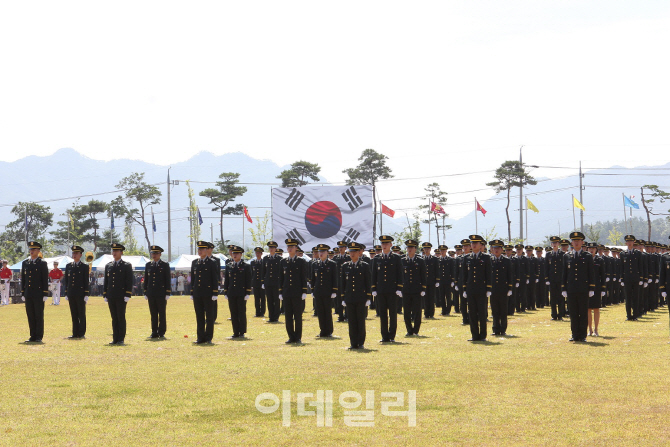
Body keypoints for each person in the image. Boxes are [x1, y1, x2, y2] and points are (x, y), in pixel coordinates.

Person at [562, 232, 595, 342]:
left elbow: (591, 273)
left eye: (578, 241)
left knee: (583, 312)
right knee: (573, 312)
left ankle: (583, 335)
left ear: (582, 242)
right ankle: (575, 334)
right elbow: (564, 274)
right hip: (571, 289)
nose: (576, 243)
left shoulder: (587, 256)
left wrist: (591, 288)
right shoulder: (567, 256)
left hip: (583, 288)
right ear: (571, 242)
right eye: (574, 241)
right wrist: (563, 288)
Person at [371, 235, 403, 343]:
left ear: (391, 245)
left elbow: (400, 274)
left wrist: (399, 288)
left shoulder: (396, 258)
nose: (384, 246)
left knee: (393, 314)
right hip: (381, 290)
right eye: (382, 244)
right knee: (383, 314)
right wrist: (374, 288)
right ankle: (384, 336)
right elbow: (374, 275)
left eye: (386, 243)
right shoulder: (377, 258)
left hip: (393, 290)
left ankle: (392, 336)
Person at [341, 242, 371, 349]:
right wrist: (343, 297)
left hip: (361, 297)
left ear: (359, 252)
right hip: (349, 298)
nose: (352, 254)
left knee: (360, 321)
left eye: (354, 252)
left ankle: (361, 342)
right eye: (350, 252)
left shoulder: (364, 266)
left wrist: (368, 297)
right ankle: (353, 343)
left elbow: (368, 282)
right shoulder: (345, 266)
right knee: (351, 321)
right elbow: (343, 283)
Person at [462, 235, 492, 341]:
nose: (474, 245)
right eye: (472, 243)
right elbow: (464, 275)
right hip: (470, 289)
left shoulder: (486, 257)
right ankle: (474, 335)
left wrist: (488, 289)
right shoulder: (466, 258)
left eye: (476, 243)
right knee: (472, 313)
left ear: (480, 245)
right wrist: (464, 289)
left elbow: (488, 274)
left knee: (482, 313)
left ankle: (483, 335)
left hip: (481, 290)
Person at [103, 243, 134, 345]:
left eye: (116, 251)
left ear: (121, 252)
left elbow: (129, 280)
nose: (114, 253)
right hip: (111, 295)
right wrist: (105, 294)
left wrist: (128, 294)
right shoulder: (109, 265)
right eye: (113, 251)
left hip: (121, 295)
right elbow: (106, 281)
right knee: (114, 318)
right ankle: (115, 338)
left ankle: (121, 338)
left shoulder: (126, 265)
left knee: (121, 317)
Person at [280, 238, 309, 344]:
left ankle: (298, 337)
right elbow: (281, 278)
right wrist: (280, 292)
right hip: (287, 292)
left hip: (297, 293)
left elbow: (303, 277)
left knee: (297, 316)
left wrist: (304, 291)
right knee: (288, 316)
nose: (290, 249)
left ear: (296, 248)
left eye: (292, 247)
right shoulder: (283, 262)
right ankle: (291, 337)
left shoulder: (301, 262)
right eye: (288, 247)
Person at [190, 241, 219, 344]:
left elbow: (215, 278)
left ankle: (208, 337)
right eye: (199, 249)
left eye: (202, 249)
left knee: (209, 316)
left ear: (207, 250)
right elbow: (193, 279)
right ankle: (200, 337)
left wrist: (215, 293)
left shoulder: (212, 262)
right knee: (199, 316)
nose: (200, 251)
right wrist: (192, 292)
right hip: (198, 293)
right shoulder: (195, 263)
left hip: (208, 293)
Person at [21, 241, 49, 343]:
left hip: (38, 294)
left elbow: (44, 279)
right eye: (30, 249)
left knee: (38, 315)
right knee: (30, 315)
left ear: (38, 251)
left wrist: (45, 293)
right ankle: (32, 336)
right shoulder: (25, 263)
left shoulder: (42, 263)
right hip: (28, 293)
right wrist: (23, 292)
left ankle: (38, 336)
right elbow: (23, 279)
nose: (31, 251)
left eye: (33, 249)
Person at [223, 245, 252, 339]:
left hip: (241, 293)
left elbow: (248, 280)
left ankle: (242, 332)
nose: (234, 255)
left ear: (241, 254)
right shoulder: (229, 265)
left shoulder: (246, 266)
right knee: (233, 312)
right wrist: (226, 291)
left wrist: (248, 292)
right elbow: (227, 279)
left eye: (236, 253)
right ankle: (235, 332)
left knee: (241, 312)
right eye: (233, 253)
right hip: (231, 292)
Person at [143, 245, 171, 339]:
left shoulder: (164, 265)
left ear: (160, 254)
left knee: (161, 313)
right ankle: (154, 331)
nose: (153, 255)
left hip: (161, 293)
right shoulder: (148, 265)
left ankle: (162, 331)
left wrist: (167, 292)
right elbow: (146, 279)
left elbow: (167, 279)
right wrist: (145, 291)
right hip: (151, 293)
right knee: (153, 313)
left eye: (155, 253)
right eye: (152, 253)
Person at [63, 245, 90, 339]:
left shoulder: (84, 267)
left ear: (80, 254)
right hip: (71, 293)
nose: (74, 255)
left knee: (81, 314)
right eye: (73, 253)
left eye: (76, 253)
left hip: (80, 293)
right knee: (74, 314)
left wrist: (86, 293)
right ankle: (75, 333)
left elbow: (86, 281)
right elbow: (66, 280)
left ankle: (81, 333)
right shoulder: (69, 266)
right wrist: (66, 292)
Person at [311, 243, 337, 338]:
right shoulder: (315, 264)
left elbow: (334, 278)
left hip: (328, 291)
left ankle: (329, 330)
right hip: (318, 291)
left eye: (323, 252)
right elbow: (313, 278)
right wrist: (313, 290)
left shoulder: (332, 264)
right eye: (320, 251)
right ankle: (322, 330)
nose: (321, 253)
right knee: (320, 312)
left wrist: (334, 291)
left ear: (327, 252)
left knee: (327, 311)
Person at [401, 239, 426, 336]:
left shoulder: (420, 260)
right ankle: (409, 330)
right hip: (406, 289)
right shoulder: (402, 260)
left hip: (417, 290)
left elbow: (423, 275)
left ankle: (416, 330)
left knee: (417, 311)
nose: (409, 249)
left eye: (411, 247)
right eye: (408, 247)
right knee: (406, 311)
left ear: (415, 249)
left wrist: (423, 288)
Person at [489, 240, 513, 336]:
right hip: (493, 289)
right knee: (494, 310)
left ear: (502, 249)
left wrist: (510, 288)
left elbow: (510, 275)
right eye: (494, 248)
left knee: (503, 310)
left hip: (503, 289)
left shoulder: (506, 261)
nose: (496, 250)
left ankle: (503, 329)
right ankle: (495, 329)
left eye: (498, 248)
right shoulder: (490, 260)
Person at [620, 235, 644, 321]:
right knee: (628, 297)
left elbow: (640, 266)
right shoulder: (623, 253)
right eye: (628, 241)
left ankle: (635, 315)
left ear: (633, 242)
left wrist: (641, 278)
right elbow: (621, 267)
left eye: (631, 241)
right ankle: (628, 315)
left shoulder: (638, 253)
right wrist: (621, 278)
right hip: (627, 279)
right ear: (626, 243)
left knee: (635, 297)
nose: (629, 243)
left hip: (636, 278)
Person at [586, 242, 607, 336]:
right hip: (587, 287)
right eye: (590, 248)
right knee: (588, 309)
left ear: (596, 250)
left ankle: (596, 329)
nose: (591, 250)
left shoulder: (600, 260)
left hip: (597, 287)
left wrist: (603, 288)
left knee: (596, 308)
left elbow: (603, 275)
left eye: (593, 248)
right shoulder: (585, 259)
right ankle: (589, 329)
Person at [545, 236, 566, 320]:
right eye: (553, 243)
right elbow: (546, 268)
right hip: (552, 280)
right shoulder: (548, 254)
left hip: (560, 279)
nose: (554, 244)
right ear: (551, 244)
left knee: (561, 298)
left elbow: (564, 268)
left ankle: (561, 314)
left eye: (556, 243)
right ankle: (554, 315)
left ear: (558, 244)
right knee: (553, 298)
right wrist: (546, 279)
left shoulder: (563, 254)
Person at [262, 241, 282, 323]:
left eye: (273, 248)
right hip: (268, 282)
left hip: (276, 282)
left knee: (276, 300)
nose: (271, 249)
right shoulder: (265, 258)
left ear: (276, 249)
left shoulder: (279, 259)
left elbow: (281, 272)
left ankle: (276, 316)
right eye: (270, 248)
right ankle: (271, 316)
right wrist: (263, 282)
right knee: (269, 300)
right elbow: (263, 271)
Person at [421, 242, 440, 319]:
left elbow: (437, 270)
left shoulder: (434, 259)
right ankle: (426, 314)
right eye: (425, 249)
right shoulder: (421, 259)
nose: (426, 250)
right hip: (424, 282)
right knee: (425, 298)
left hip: (432, 281)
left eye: (428, 248)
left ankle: (431, 314)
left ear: (430, 249)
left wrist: (437, 281)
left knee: (431, 298)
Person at [250, 247, 266, 317]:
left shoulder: (263, 262)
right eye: (256, 253)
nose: (257, 254)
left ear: (261, 253)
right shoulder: (253, 262)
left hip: (262, 283)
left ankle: (262, 312)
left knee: (262, 298)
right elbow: (251, 274)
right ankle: (257, 312)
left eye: (259, 253)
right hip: (255, 283)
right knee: (256, 298)